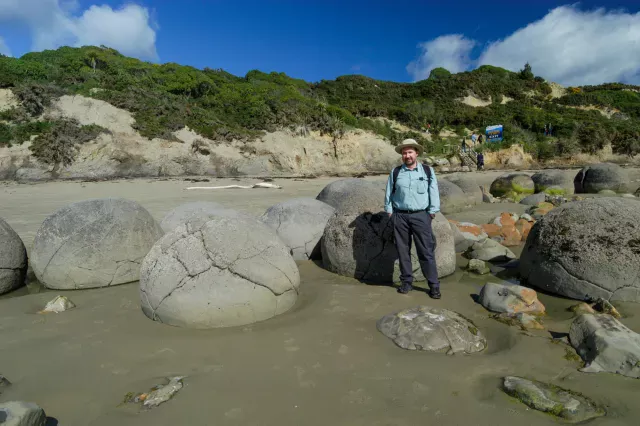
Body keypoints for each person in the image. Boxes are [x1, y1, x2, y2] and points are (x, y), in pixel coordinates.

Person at [384, 139, 441, 299]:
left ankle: (434, 286)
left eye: (410, 152)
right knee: (403, 252)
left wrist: (432, 211)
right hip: (400, 216)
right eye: (404, 153)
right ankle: (407, 282)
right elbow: (389, 193)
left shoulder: (427, 171)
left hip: (421, 216)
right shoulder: (395, 172)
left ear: (416, 153)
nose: (407, 155)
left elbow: (433, 191)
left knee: (426, 252)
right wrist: (389, 211)